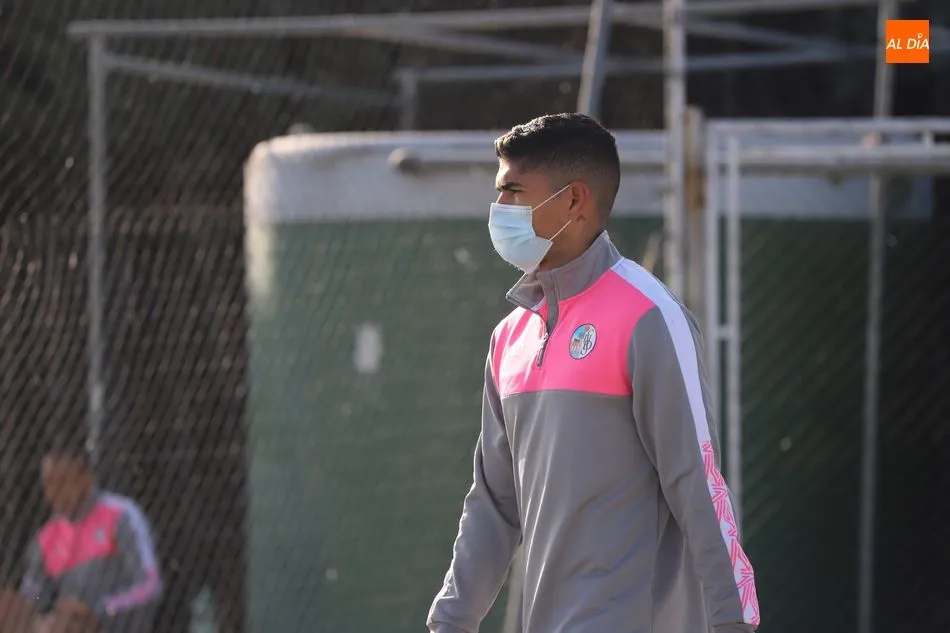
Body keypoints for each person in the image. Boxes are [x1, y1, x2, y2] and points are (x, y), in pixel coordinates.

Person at [427, 113, 760, 633]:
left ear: (575, 201)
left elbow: (698, 483)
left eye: (514, 192)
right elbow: (493, 505)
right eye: (499, 193)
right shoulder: (509, 338)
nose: (500, 209)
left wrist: (734, 621)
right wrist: (449, 622)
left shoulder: (649, 317)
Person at [19, 435, 163, 633]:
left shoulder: (121, 516)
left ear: (86, 478)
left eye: (62, 482)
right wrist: (43, 621)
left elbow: (150, 586)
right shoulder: (46, 538)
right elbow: (33, 595)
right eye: (49, 484)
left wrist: (100, 612)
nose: (54, 493)